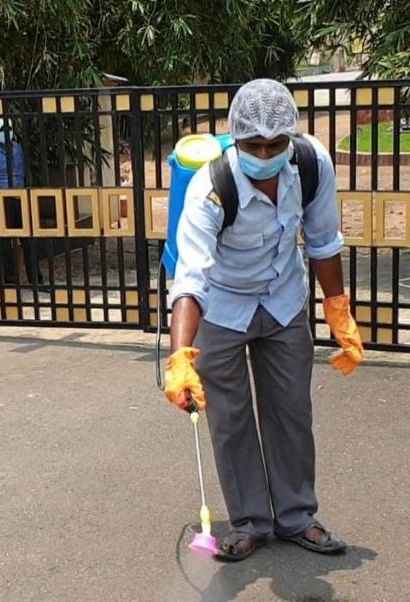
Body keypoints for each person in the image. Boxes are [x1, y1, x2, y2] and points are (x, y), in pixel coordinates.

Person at [163, 79, 364, 562]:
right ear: (236, 138)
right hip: (223, 306)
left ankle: (296, 516)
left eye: (275, 144)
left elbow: (323, 240)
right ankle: (251, 521)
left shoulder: (312, 164)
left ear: (290, 139)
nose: (264, 153)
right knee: (230, 420)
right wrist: (180, 357)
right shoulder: (212, 188)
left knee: (291, 410)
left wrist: (339, 313)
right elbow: (190, 280)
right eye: (253, 144)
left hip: (283, 299)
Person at [0, 118, 43, 284]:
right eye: (2, 130)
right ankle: (10, 279)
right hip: (2, 199)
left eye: (9, 129)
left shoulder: (18, 149)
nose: (6, 133)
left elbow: (25, 171)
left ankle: (35, 278)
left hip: (21, 197)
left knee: (28, 238)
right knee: (5, 241)